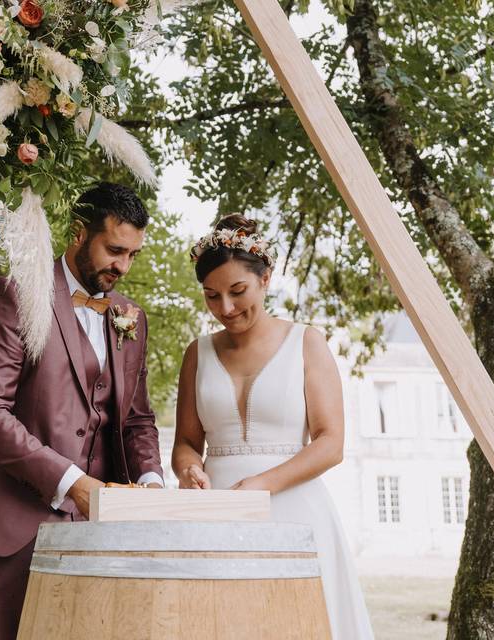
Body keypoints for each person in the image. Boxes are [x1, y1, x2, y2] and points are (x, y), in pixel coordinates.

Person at [0, 182, 164, 640]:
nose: (123, 266)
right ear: (78, 232)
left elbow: (137, 419)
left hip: (100, 528)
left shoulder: (131, 316)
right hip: (12, 522)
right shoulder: (15, 293)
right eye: (114, 250)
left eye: (133, 256)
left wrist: (151, 483)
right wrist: (72, 483)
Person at [172, 214, 375, 639]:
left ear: (265, 278)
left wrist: (261, 485)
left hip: (293, 509)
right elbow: (187, 443)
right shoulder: (198, 353)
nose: (225, 308)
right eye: (211, 296)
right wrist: (188, 469)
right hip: (214, 515)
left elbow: (331, 442)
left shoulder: (306, 342)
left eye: (237, 291)